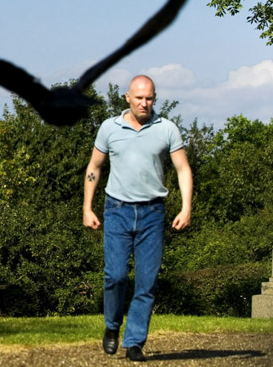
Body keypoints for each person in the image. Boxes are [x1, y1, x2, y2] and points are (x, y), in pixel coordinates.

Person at [83, 75, 193, 362]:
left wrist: (185, 207)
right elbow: (94, 167)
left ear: (154, 98)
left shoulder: (167, 129)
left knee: (147, 281)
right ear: (128, 98)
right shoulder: (109, 127)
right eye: (140, 98)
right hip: (116, 210)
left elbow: (182, 169)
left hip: (152, 213)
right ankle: (111, 326)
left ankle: (134, 342)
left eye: (150, 98)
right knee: (115, 275)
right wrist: (87, 207)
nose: (145, 103)